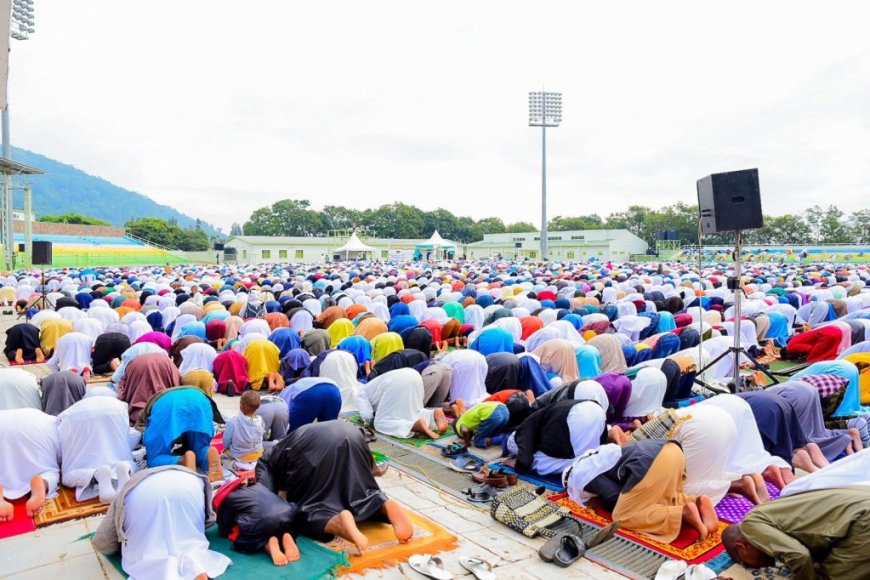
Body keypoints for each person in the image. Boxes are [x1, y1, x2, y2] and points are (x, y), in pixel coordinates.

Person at [255, 421, 413, 554]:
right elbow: (372, 470)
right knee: (360, 492)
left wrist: (268, 500)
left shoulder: (267, 460)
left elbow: (265, 490)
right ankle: (381, 503)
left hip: (313, 451)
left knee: (306, 509)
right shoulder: (294, 436)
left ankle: (338, 523)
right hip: (351, 434)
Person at [93, 466, 232, 580]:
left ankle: (166, 566)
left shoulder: (126, 491)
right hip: (191, 485)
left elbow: (103, 542)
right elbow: (209, 519)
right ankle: (190, 562)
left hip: (146, 498)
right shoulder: (194, 477)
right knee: (186, 540)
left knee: (151, 555)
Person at [565, 441, 719, 542]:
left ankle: (682, 512)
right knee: (662, 497)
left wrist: (604, 504)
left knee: (623, 515)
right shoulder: (599, 456)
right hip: (672, 450)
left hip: (650, 464)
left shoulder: (581, 476)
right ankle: (695, 501)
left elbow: (615, 497)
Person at [722, 487, 870, 580]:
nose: (757, 567)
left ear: (742, 547)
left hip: (863, 518)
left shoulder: (750, 524)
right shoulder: (767, 510)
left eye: (746, 563)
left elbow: (799, 556)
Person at [57, 395, 137, 503]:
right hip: (116, 416)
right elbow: (132, 435)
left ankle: (96, 474)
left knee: (67, 477)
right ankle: (126, 467)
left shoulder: (73, 413)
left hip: (85, 451)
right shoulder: (115, 405)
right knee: (128, 459)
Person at [140, 387, 224, 482]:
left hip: (167, 406)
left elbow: (147, 438)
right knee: (199, 447)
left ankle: (182, 461)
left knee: (155, 457)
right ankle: (207, 453)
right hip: (199, 398)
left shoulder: (147, 414)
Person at [214, 477, 300, 566]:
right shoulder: (257, 485)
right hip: (288, 513)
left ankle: (266, 545)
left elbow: (224, 528)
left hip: (261, 520)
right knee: (275, 524)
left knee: (244, 538)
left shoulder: (226, 498)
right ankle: (285, 534)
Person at [0, 408, 60, 521]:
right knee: (50, 471)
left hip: (3, 424)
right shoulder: (55, 421)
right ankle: (43, 482)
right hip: (38, 427)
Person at [357, 368, 448, 439]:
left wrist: (366, 422)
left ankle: (412, 426)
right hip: (413, 375)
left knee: (381, 422)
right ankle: (432, 414)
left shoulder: (361, 393)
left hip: (396, 382)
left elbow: (367, 416)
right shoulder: (371, 385)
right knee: (413, 411)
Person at [223, 391, 267, 470]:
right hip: (257, 454)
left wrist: (228, 448)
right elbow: (262, 437)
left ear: (241, 406)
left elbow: (226, 442)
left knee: (222, 458)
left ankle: (238, 465)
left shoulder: (233, 422)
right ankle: (253, 463)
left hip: (240, 456)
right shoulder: (261, 420)